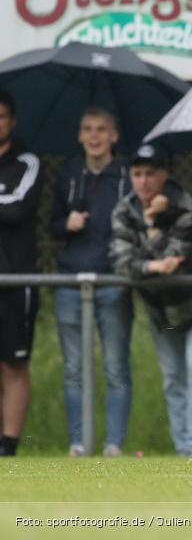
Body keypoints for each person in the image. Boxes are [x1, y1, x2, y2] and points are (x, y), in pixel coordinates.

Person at [110, 144, 192, 458]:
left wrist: (153, 224)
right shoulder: (123, 210)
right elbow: (121, 262)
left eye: (150, 174)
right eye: (137, 174)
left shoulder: (186, 206)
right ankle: (182, 446)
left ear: (165, 174)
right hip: (161, 311)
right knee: (173, 376)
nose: (143, 181)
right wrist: (152, 264)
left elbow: (174, 260)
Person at [49, 107, 133, 458]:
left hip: (113, 281)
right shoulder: (68, 174)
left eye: (102, 129)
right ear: (80, 136)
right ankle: (78, 444)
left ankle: (113, 444)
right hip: (71, 280)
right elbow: (50, 226)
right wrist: (64, 225)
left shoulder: (129, 177)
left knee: (115, 366)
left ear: (114, 136)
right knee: (73, 369)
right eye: (87, 129)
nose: (95, 136)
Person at [0, 89, 41, 457]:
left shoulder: (26, 162)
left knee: (13, 362)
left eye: (1, 116)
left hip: (14, 278)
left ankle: (8, 446)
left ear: (11, 120)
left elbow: (18, 209)